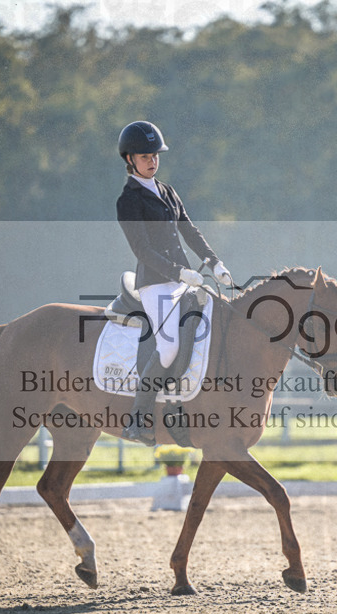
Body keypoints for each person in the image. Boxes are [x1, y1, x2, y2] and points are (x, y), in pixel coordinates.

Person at [115, 120, 234, 445]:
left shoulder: (167, 191)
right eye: (144, 156)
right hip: (155, 283)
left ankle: (180, 408)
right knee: (169, 346)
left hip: (182, 279)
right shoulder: (128, 200)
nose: (152, 161)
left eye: (155, 155)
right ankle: (138, 420)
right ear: (130, 160)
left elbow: (190, 230)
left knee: (204, 332)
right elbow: (142, 250)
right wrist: (178, 273)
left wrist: (214, 262)